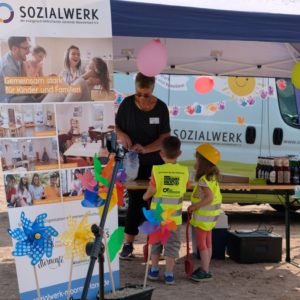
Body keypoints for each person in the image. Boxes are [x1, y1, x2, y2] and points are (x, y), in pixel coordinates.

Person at [116, 72, 171, 259]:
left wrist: (146, 149)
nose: (140, 98)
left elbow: (165, 137)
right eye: (138, 93)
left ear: (153, 90)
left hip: (154, 163)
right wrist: (121, 135)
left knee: (154, 204)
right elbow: (115, 127)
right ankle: (128, 243)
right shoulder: (127, 104)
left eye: (145, 95)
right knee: (134, 202)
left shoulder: (161, 108)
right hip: (132, 164)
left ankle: (154, 246)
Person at [143, 136, 189, 285]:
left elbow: (152, 189)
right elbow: (186, 187)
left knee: (155, 242)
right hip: (174, 219)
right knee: (172, 245)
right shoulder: (184, 171)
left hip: (157, 217)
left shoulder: (157, 170)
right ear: (180, 153)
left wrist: (145, 196)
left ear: (161, 153)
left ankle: (155, 270)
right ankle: (169, 274)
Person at [187, 143, 222, 282]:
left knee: (202, 245)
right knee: (208, 244)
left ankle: (205, 271)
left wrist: (194, 206)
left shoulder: (203, 180)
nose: (195, 161)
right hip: (210, 219)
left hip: (203, 219)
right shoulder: (212, 177)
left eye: (197, 159)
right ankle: (206, 268)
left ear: (202, 162)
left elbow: (209, 198)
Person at [42, 57, 110, 102]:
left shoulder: (87, 82)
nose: (86, 65)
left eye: (89, 63)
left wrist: (86, 76)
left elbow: (73, 88)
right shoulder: (85, 81)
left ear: (94, 70)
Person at [0, 36, 35, 103]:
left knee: (36, 92)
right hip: (7, 99)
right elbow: (17, 91)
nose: (29, 52)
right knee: (27, 99)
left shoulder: (18, 58)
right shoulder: (8, 66)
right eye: (26, 48)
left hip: (15, 92)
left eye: (29, 47)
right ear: (14, 49)